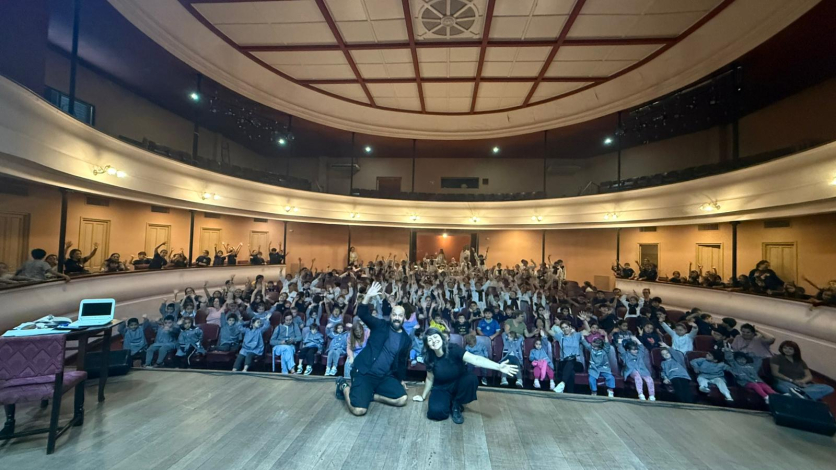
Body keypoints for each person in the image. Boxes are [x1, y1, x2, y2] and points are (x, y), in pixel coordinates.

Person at [335, 282, 411, 417]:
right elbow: (362, 314)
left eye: (400, 316)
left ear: (404, 318)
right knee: (359, 410)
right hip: (364, 372)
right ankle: (344, 386)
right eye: (395, 315)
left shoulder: (406, 339)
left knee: (402, 399)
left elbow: (401, 363)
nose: (397, 318)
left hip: (383, 377)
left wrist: (400, 379)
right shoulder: (380, 325)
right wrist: (367, 297)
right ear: (391, 316)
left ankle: (371, 396)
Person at [412, 327, 518, 424]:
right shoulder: (429, 357)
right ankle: (449, 401)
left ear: (441, 337)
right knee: (435, 413)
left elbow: (475, 359)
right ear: (428, 345)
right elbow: (430, 378)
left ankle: (456, 405)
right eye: (430, 340)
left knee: (471, 379)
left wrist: (498, 366)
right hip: (441, 387)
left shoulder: (453, 349)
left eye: (435, 337)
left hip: (459, 383)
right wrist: (423, 396)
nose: (434, 340)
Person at [770, 341, 834, 401]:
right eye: (785, 348)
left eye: (790, 349)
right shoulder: (777, 358)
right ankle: (806, 396)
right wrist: (791, 381)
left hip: (801, 385)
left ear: (795, 351)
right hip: (785, 382)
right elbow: (775, 373)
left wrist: (802, 381)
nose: (787, 350)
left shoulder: (799, 361)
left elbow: (809, 376)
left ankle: (801, 395)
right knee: (790, 389)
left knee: (828, 388)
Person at [582, 332, 615, 397]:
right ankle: (594, 391)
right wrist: (582, 336)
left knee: (610, 377)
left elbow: (607, 344)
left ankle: (610, 390)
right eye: (593, 346)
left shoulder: (605, 350)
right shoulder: (591, 349)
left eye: (596, 347)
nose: (594, 348)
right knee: (591, 379)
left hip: (604, 368)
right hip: (593, 368)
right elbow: (585, 343)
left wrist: (605, 336)